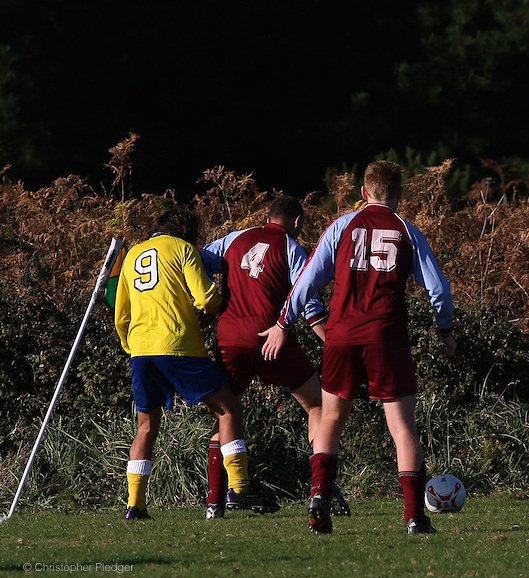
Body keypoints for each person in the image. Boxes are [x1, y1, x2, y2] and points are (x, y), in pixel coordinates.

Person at [259, 160, 457, 535]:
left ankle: (319, 495)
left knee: (331, 417)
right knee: (401, 425)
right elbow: (439, 291)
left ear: (364, 193)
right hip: (387, 337)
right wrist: (445, 330)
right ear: (399, 195)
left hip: (342, 335)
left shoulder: (341, 226)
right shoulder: (407, 231)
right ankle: (415, 516)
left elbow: (307, 281)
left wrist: (283, 323)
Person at [113, 205, 279, 520]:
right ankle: (241, 488)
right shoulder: (184, 249)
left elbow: (121, 311)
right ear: (187, 231)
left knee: (146, 427)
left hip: (141, 350)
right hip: (177, 346)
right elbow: (205, 299)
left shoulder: (133, 254)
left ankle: (135, 505)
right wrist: (222, 300)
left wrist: (130, 344)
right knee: (228, 408)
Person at [200, 194, 348, 519]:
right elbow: (306, 299)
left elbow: (199, 258)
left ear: (267, 216)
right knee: (317, 405)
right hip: (269, 337)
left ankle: (214, 503)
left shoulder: (234, 239)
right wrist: (333, 343)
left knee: (226, 413)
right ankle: (323, 488)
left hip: (229, 338)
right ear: (297, 222)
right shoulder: (291, 247)